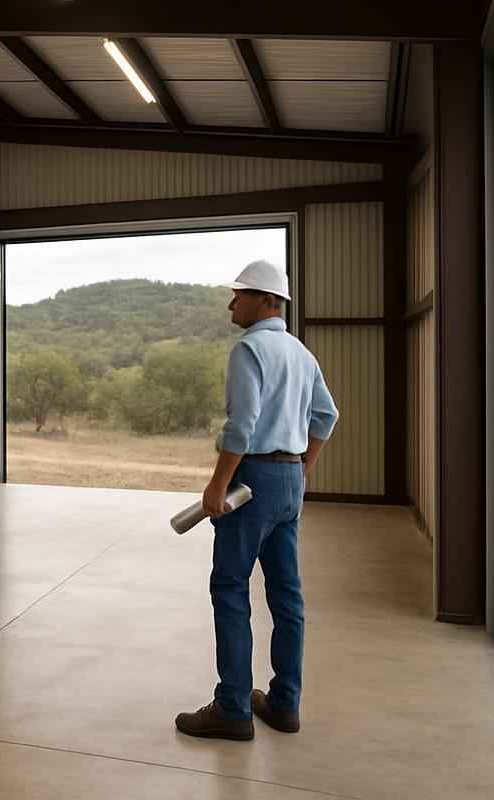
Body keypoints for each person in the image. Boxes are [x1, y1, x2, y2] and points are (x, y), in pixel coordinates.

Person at [175, 259, 339, 742]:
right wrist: (302, 468)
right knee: (286, 595)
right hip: (289, 479)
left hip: (253, 479)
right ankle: (285, 704)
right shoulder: (300, 353)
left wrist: (216, 485)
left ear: (267, 301)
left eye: (239, 295)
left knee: (229, 587)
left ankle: (232, 709)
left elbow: (241, 426)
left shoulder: (249, 349)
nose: (231, 303)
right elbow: (326, 416)